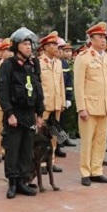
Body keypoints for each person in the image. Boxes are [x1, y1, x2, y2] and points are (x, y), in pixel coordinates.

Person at [0, 27, 44, 198]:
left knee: (26, 150)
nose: (29, 47)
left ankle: (23, 181)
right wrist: (9, 113)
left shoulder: (33, 64)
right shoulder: (7, 66)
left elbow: (38, 89)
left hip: (29, 113)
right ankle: (12, 182)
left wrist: (40, 113)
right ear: (16, 46)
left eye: (30, 44)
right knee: (13, 149)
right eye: (25, 44)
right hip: (14, 114)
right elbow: (2, 92)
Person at [74, 22, 107, 185]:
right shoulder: (83, 58)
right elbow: (78, 84)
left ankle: (96, 170)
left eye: (105, 37)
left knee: (100, 141)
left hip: (104, 106)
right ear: (91, 39)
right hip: (89, 108)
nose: (103, 40)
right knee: (87, 141)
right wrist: (81, 108)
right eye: (100, 37)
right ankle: (85, 172)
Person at [38, 31, 65, 174]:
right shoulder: (38, 62)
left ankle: (51, 161)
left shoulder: (58, 63)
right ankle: (41, 163)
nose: (56, 47)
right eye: (53, 44)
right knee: (42, 135)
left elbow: (61, 83)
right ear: (45, 47)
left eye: (56, 44)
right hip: (45, 105)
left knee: (54, 135)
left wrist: (62, 101)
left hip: (56, 105)